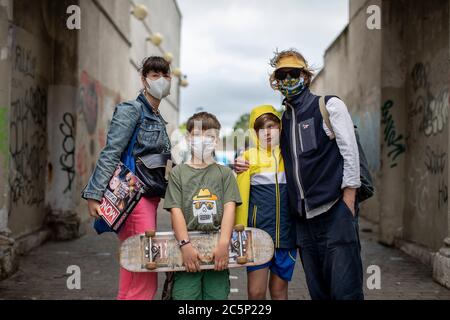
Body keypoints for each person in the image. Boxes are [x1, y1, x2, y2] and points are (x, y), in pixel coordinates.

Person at [235, 49, 364, 300]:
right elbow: (267, 155)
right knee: (319, 292)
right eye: (281, 75)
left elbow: (351, 152)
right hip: (303, 224)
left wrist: (349, 200)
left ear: (305, 76)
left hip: (335, 212)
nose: (287, 80)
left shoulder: (328, 106)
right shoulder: (284, 120)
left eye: (293, 73)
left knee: (345, 290)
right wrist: (240, 165)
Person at [81, 56, 173, 300]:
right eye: (155, 75)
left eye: (165, 76)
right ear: (144, 80)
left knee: (134, 269)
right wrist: (94, 194)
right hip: (133, 197)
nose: (161, 80)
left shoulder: (157, 117)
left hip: (149, 199)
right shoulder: (132, 110)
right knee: (143, 272)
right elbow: (111, 152)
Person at [163, 112, 242, 300]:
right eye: (198, 135)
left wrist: (223, 244)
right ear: (188, 138)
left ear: (216, 141)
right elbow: (176, 211)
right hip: (187, 250)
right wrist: (186, 245)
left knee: (217, 296)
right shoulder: (178, 173)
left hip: (218, 252)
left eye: (210, 136)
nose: (203, 141)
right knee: (185, 297)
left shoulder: (225, 174)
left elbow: (230, 209)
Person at [235, 105, 297, 300]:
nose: (267, 133)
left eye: (271, 126)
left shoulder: (291, 156)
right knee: (256, 292)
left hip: (286, 236)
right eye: (261, 129)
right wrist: (239, 233)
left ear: (280, 127)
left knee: (279, 292)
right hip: (258, 237)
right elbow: (241, 199)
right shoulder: (247, 158)